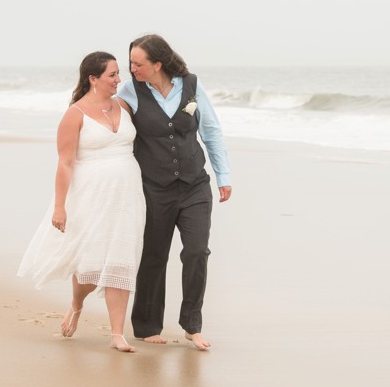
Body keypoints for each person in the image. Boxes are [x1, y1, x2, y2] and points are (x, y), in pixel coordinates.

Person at [17, 52, 146, 353]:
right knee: (90, 261)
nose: (118, 80)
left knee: (121, 258)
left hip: (128, 193)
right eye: (112, 75)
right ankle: (77, 303)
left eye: (118, 74)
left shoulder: (124, 106)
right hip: (90, 194)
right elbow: (65, 163)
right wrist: (60, 206)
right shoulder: (74, 115)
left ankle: (117, 334)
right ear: (93, 78)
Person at [117, 34, 232, 351]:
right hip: (154, 187)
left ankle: (192, 325)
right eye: (130, 63)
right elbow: (110, 122)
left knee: (196, 252)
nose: (132, 68)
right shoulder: (130, 91)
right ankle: (146, 325)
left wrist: (223, 175)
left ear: (158, 64)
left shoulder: (191, 86)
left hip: (195, 185)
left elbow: (211, 129)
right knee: (154, 255)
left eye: (138, 63)